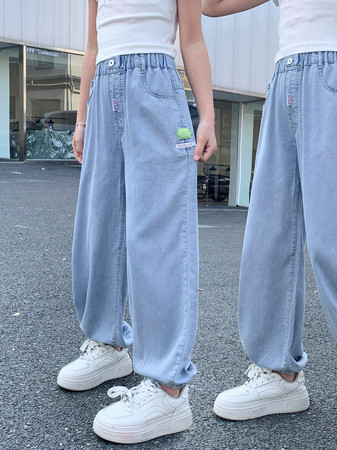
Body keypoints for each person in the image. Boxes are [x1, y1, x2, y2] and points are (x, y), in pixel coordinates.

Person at [202, 0, 337, 445]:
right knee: (268, 237)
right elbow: (210, 6)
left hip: (328, 79)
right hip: (283, 79)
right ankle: (279, 373)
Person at [57, 0, 216, 444]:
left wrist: (206, 115)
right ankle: (108, 345)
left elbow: (191, 37)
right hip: (103, 86)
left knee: (158, 233)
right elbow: (93, 44)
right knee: (98, 225)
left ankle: (168, 389)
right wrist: (82, 117)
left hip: (154, 81)